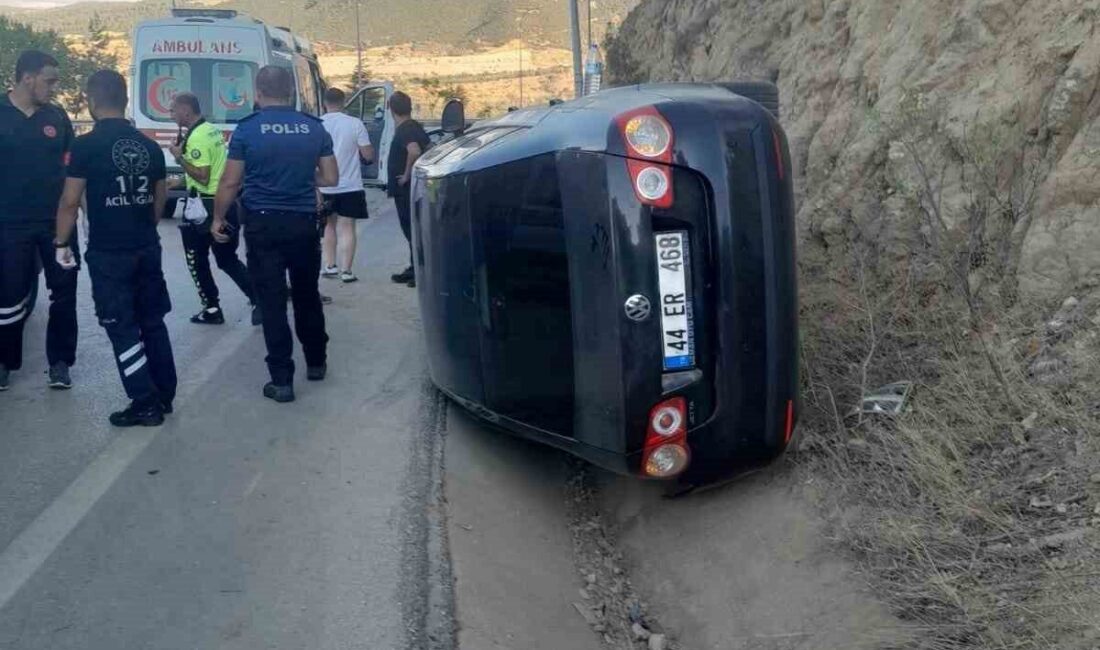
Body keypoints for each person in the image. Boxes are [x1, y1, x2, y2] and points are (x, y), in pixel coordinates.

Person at [54, 70, 176, 426]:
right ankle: (164, 395)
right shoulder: (149, 146)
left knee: (120, 326)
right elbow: (159, 198)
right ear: (124, 100)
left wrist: (61, 243)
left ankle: (144, 402)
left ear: (92, 101)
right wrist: (144, 226)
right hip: (146, 245)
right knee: (152, 321)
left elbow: (70, 201)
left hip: (109, 252)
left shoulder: (85, 146)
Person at [211, 65, 338, 403]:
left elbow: (230, 182)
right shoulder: (314, 127)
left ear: (258, 92)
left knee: (272, 301)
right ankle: (316, 362)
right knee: (307, 294)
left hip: (263, 226)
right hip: (303, 223)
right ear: (291, 92)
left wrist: (218, 217)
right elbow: (330, 178)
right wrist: (301, 175)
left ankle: (282, 380)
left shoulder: (247, 129)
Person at [0, 50, 78, 391]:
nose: (53, 87)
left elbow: (75, 172)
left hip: (56, 224)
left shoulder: (57, 117)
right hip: (9, 224)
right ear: (27, 78)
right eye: (49, 81)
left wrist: (85, 216)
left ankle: (60, 363)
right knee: (8, 295)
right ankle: (4, 362)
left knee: (64, 291)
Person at [167, 92, 260, 326]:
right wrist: (179, 182)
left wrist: (179, 158)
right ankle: (258, 299)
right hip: (224, 202)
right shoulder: (210, 130)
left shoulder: (197, 137)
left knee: (196, 259)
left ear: (185, 110)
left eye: (173, 110)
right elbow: (213, 169)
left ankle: (211, 308)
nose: (171, 115)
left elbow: (203, 175)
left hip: (204, 206)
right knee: (227, 259)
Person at [319, 87, 373, 283]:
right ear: (343, 102)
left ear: (324, 102)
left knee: (328, 226)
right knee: (347, 227)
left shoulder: (318, 124)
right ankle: (347, 271)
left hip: (324, 185)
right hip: (350, 185)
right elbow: (368, 155)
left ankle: (330, 266)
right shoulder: (355, 123)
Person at [386, 91, 429, 288]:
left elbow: (414, 151)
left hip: (406, 190)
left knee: (412, 230)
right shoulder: (415, 127)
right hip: (412, 189)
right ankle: (415, 268)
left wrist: (406, 175)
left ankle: (420, 272)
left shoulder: (405, 129)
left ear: (391, 109)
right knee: (413, 230)